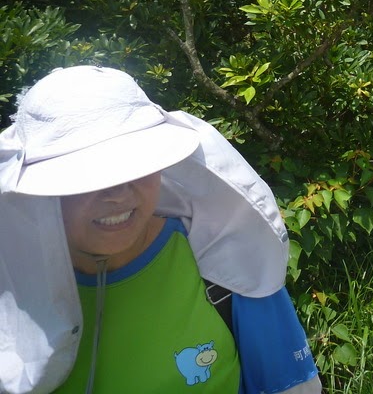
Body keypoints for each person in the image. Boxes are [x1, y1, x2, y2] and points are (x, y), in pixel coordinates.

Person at [0, 65, 322, 394]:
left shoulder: (226, 260)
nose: (118, 192)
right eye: (84, 174)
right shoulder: (12, 284)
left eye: (137, 162)